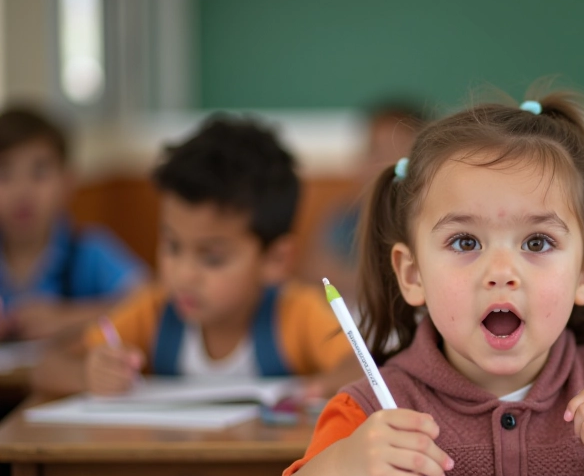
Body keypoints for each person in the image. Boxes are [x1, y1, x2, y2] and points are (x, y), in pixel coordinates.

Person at [280, 91, 584, 476]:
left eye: (537, 243)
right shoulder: (366, 411)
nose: (501, 272)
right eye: (466, 242)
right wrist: (344, 465)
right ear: (412, 275)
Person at [34, 114, 357, 396]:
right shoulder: (153, 310)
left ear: (275, 260)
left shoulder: (295, 313)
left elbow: (360, 369)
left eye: (212, 258)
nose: (183, 274)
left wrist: (328, 385)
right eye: (173, 247)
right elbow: (47, 365)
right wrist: (88, 374)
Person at [0, 105, 145, 341]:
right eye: (4, 173)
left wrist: (68, 318)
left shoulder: (89, 251)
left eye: (39, 172)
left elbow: (151, 302)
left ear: (68, 182)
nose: (22, 191)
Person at [303, 101, 429, 299]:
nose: (377, 165)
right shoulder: (346, 213)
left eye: (392, 152)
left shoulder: (427, 215)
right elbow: (316, 272)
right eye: (372, 152)